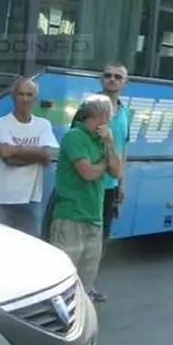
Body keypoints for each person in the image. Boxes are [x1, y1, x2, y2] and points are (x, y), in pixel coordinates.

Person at [52, 94, 122, 302]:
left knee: (86, 280)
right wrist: (103, 164)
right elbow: (88, 173)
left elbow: (117, 173)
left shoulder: (101, 140)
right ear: (101, 116)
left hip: (94, 215)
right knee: (63, 276)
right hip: (71, 215)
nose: (109, 121)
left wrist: (109, 143)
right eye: (109, 116)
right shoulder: (75, 137)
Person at [0, 77, 59, 237]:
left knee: (29, 252)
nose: (25, 99)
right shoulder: (2, 124)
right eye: (20, 94)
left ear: (35, 98)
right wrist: (38, 153)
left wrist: (16, 149)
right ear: (13, 97)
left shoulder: (43, 124)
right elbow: (8, 159)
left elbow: (49, 156)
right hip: (1, 201)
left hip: (30, 201)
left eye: (29, 95)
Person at [70, 62, 133, 245]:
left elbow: (123, 148)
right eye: (108, 75)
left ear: (125, 82)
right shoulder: (88, 108)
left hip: (110, 186)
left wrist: (121, 183)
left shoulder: (124, 112)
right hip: (88, 183)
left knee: (100, 238)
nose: (112, 79)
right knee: (80, 237)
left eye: (118, 76)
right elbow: (76, 142)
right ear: (101, 79)